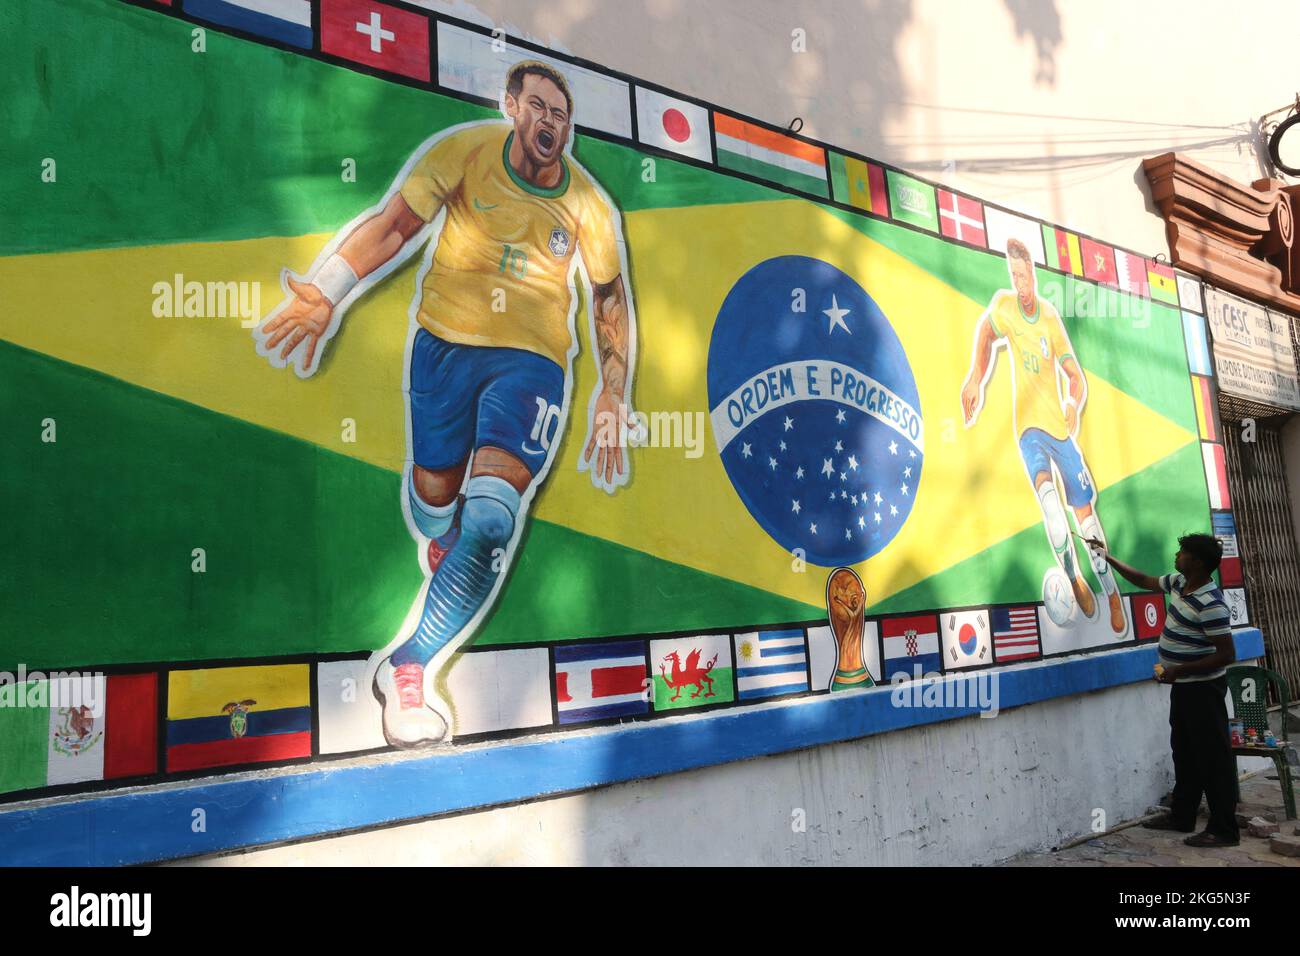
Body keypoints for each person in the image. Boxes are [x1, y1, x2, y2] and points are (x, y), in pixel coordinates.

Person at [254, 61, 637, 748]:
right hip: (443, 349)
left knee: (490, 521)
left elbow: (609, 300)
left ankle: (409, 666)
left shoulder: (588, 208)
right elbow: (395, 228)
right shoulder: (461, 152)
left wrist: (614, 390)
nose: (552, 122)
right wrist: (328, 290)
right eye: (540, 108)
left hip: (534, 368)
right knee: (435, 496)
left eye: (562, 114)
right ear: (512, 108)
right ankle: (441, 532)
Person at [960, 239, 1125, 634]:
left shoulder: (1049, 319)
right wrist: (973, 380)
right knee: (1052, 512)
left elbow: (1075, 377)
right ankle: (1074, 578)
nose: (1019, 283)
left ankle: (1112, 590)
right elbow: (984, 333)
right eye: (1013, 276)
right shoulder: (1004, 306)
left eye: (1023, 275)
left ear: (1034, 274)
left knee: (1086, 523)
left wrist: (1072, 404)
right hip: (1028, 431)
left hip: (1059, 431)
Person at [1086, 532, 1239, 847]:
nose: (1176, 555)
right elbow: (1143, 580)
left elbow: (1226, 654)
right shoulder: (1180, 583)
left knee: (1212, 759)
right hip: (1183, 687)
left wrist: (1178, 670)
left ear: (1195, 562)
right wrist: (1107, 556)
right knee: (1184, 752)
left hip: (1203, 690)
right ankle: (1182, 816)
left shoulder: (1211, 603)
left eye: (1182, 552)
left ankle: (1224, 829)